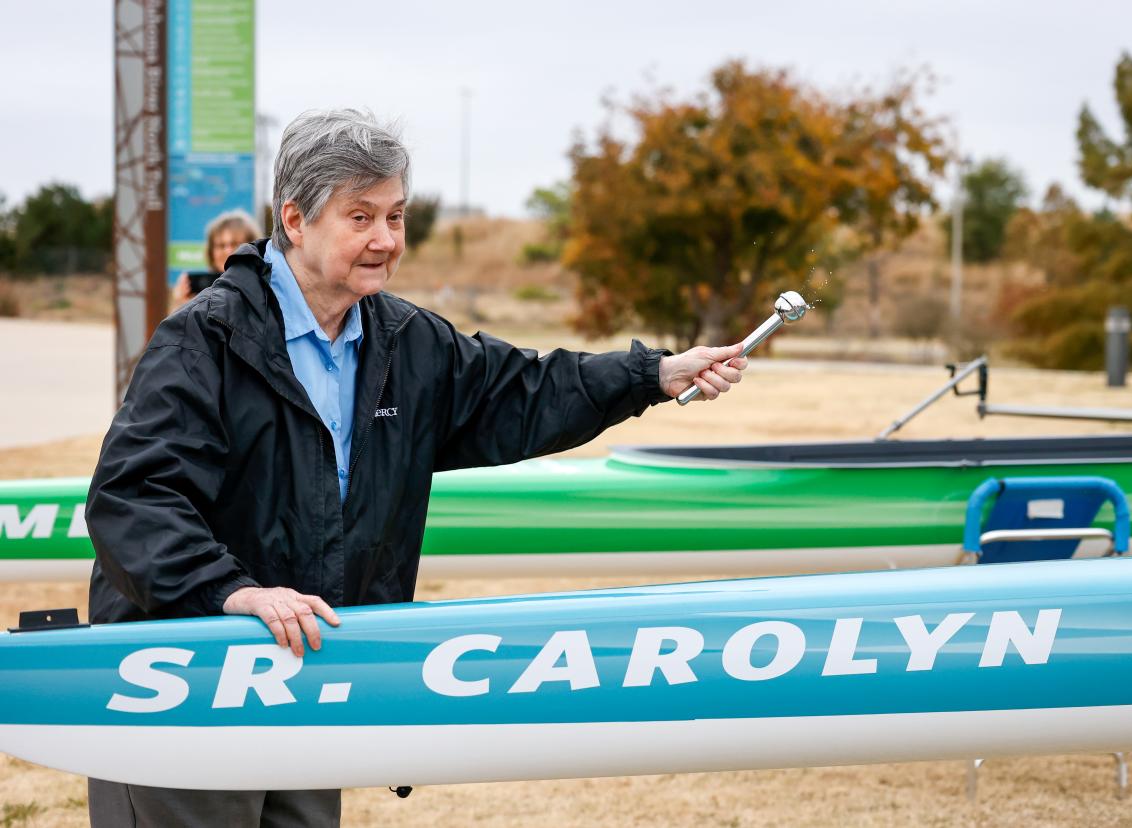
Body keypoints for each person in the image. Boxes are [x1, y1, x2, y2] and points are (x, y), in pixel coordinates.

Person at [85, 109, 747, 827]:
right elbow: (133, 499)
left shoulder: (406, 341)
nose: (385, 240)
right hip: (184, 677)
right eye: (361, 216)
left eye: (396, 216)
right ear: (296, 220)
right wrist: (233, 593)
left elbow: (524, 390)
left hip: (309, 671)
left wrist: (653, 374)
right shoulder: (204, 339)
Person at [170, 209, 263, 309]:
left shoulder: (265, 286)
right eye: (221, 245)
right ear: (211, 253)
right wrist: (182, 306)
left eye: (235, 244)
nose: (228, 251)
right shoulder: (202, 293)